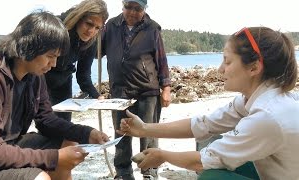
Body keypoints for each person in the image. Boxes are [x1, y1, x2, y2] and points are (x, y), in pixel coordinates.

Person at [118, 27, 299, 180]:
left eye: (227, 61)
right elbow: (204, 124)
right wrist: (144, 129)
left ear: (254, 67)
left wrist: (163, 155)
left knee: (211, 176)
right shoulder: (255, 99)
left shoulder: (267, 116)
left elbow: (204, 160)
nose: (220, 69)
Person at [0, 11, 109, 180]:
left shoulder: (34, 75)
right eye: (50, 56)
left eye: (56, 57)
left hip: (9, 145)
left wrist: (85, 132)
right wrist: (54, 158)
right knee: (41, 177)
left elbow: (45, 119)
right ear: (29, 47)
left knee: (68, 145)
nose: (53, 64)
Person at [101, 0, 171, 179]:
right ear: (122, 6)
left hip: (147, 92)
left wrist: (166, 88)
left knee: (149, 134)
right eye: (128, 7)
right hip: (119, 92)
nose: (132, 12)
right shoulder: (111, 25)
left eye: (137, 9)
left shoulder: (152, 28)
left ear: (144, 9)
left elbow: (161, 60)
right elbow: (96, 50)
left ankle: (149, 172)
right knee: (121, 135)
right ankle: (123, 173)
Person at [45, 0, 109, 122]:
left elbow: (83, 75)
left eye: (97, 28)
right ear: (79, 18)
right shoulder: (56, 28)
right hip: (41, 78)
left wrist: (96, 96)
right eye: (89, 24)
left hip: (63, 81)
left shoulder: (91, 40)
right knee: (43, 120)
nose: (91, 31)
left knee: (64, 125)